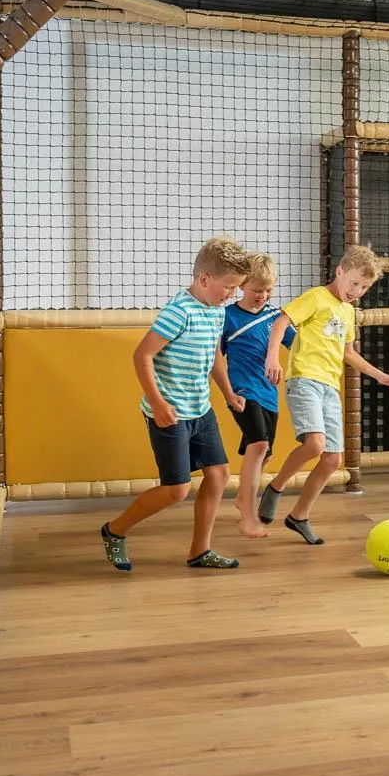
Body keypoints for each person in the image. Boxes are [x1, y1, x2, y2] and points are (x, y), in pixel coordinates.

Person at [99, 237, 252, 571]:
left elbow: (214, 357)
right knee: (176, 490)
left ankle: (200, 551)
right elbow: (142, 356)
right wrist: (158, 404)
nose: (232, 295)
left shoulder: (216, 312)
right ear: (204, 279)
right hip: (169, 412)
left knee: (218, 475)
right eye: (229, 287)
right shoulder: (179, 312)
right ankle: (114, 531)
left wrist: (227, 393)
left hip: (200, 409)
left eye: (237, 288)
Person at [259, 244, 389, 544]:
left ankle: (299, 516)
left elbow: (348, 353)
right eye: (354, 283)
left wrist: (381, 375)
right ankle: (276, 487)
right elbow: (281, 322)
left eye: (364, 287)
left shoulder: (349, 311)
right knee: (314, 445)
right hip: (305, 381)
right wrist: (273, 357)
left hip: (329, 387)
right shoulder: (317, 297)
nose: (357, 291)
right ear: (340, 271)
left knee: (332, 459)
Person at [220, 253, 297, 539]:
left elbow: (298, 344)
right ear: (242, 286)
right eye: (256, 290)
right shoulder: (227, 317)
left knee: (265, 453)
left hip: (269, 396)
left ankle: (243, 496)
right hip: (243, 391)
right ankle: (248, 512)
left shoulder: (275, 318)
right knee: (259, 443)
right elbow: (215, 358)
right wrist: (228, 393)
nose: (262, 296)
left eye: (268, 290)